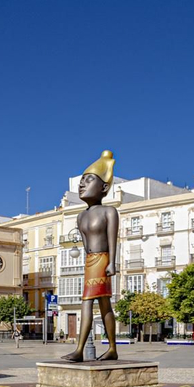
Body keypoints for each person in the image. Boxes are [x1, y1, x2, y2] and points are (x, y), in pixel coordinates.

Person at [62, 151, 122, 362]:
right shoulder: (81, 216)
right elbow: (86, 245)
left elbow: (112, 239)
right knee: (104, 304)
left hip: (103, 260)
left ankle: (80, 350)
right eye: (81, 181)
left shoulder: (109, 212)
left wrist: (112, 263)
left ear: (104, 188)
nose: (82, 185)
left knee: (88, 302)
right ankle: (112, 348)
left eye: (88, 180)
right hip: (90, 262)